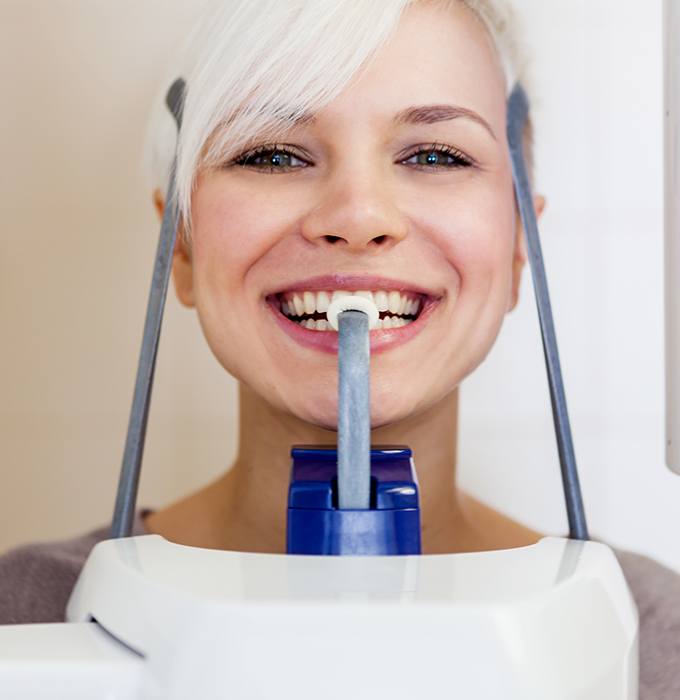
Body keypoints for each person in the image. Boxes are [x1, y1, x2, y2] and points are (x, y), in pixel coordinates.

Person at [1, 0, 679, 696]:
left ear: (515, 249)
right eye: (270, 153)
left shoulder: (658, 641)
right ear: (180, 244)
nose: (357, 217)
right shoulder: (19, 618)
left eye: (436, 155)